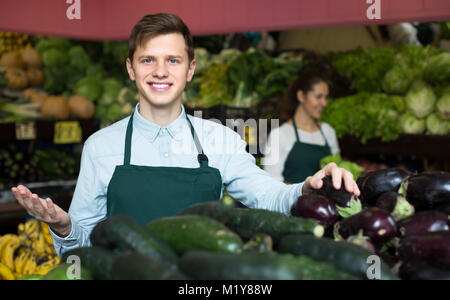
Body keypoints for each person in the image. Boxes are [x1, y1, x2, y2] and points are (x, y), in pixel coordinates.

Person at [11, 13, 359, 257]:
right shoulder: (102, 146)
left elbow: (268, 198)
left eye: (173, 60)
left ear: (190, 69)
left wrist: (307, 187)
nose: (160, 71)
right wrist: (64, 226)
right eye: (148, 60)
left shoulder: (220, 139)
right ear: (131, 68)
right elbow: (84, 247)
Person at [263, 67, 340, 183]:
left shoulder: (328, 132)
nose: (324, 103)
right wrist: (304, 190)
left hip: (325, 202)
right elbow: (270, 183)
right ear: (301, 96)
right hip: (293, 201)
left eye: (326, 97)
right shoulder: (279, 135)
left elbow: (337, 171)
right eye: (318, 97)